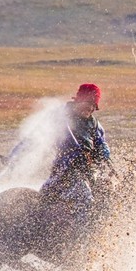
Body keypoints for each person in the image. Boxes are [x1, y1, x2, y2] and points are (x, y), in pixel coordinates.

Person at [40, 83, 112, 227]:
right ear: (79, 100)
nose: (90, 108)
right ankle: (82, 238)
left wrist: (104, 150)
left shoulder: (95, 125)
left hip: (89, 171)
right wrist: (14, 157)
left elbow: (100, 141)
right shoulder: (61, 118)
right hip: (66, 172)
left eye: (94, 106)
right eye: (88, 103)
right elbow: (36, 137)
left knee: (108, 194)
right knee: (85, 199)